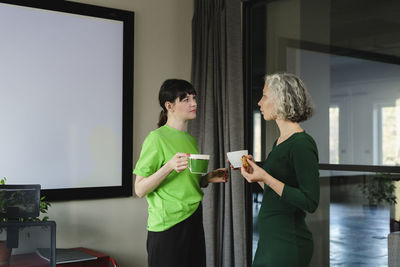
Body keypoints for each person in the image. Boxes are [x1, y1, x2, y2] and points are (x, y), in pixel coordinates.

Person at [133, 79, 228, 267]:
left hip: (193, 218)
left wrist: (208, 178)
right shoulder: (156, 138)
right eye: (185, 100)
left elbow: (185, 183)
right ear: (169, 106)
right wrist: (168, 166)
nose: (194, 103)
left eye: (194, 98)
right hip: (167, 225)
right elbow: (140, 189)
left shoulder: (190, 140)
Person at [240, 73, 319, 266]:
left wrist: (266, 177)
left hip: (287, 244)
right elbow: (277, 191)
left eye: (265, 96)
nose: (259, 102)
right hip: (270, 241)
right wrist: (257, 174)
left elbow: (310, 202)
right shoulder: (280, 142)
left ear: (282, 99)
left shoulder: (302, 144)